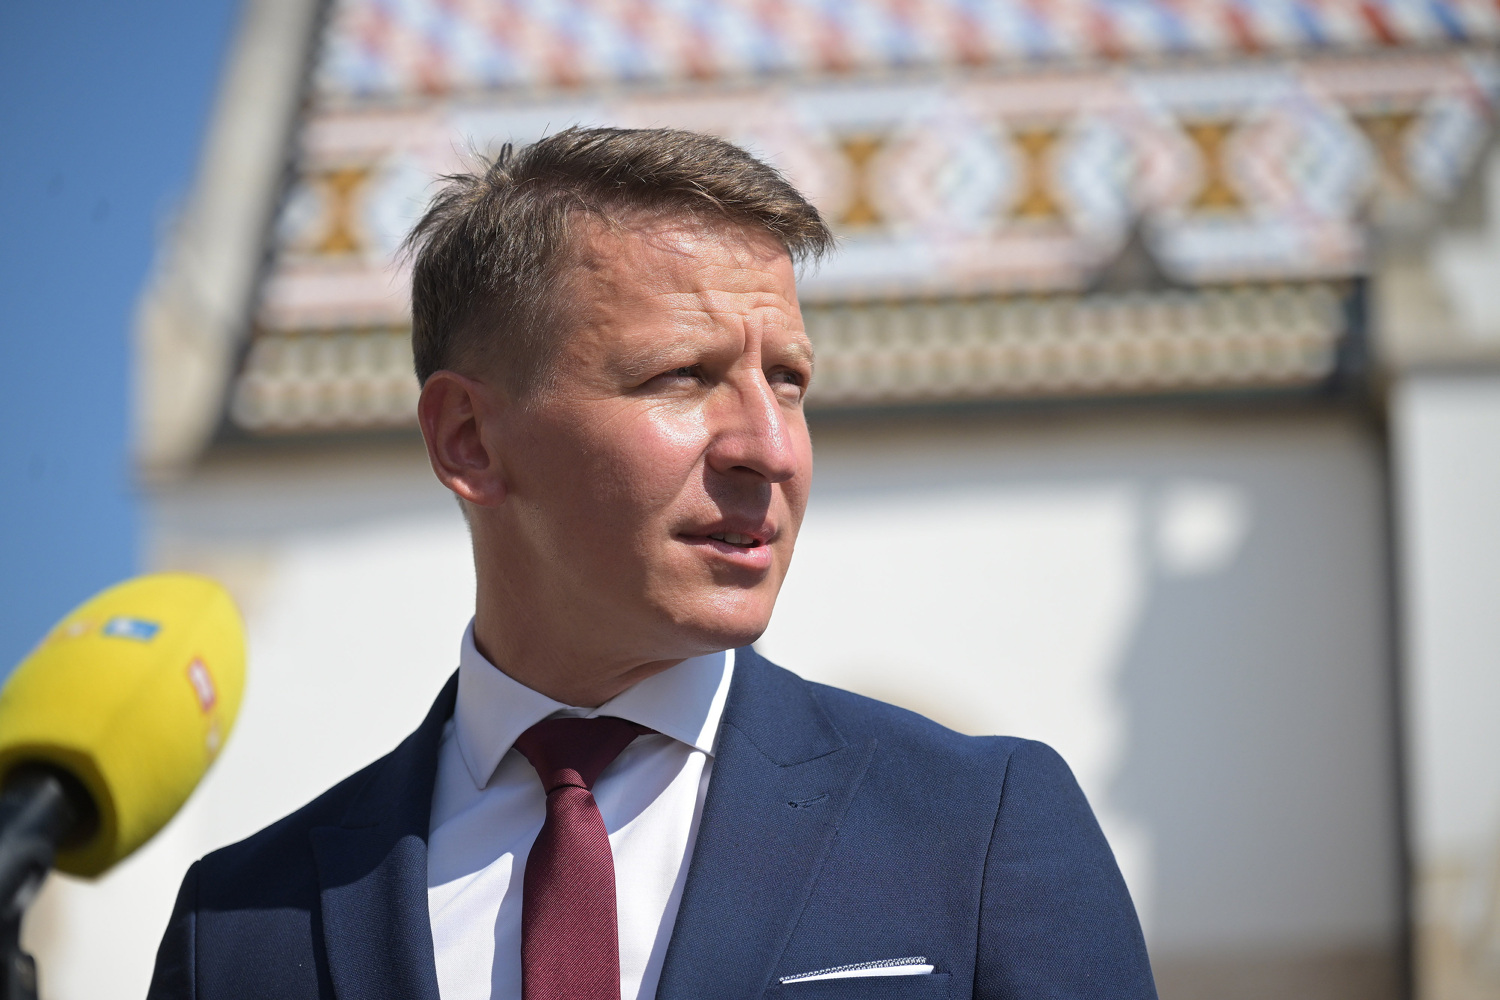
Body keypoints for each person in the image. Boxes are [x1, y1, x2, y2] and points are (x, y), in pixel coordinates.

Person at [147, 127, 1156, 1000]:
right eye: (683, 375)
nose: (770, 447)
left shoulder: (977, 830)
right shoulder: (240, 927)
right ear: (468, 439)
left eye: (789, 381)